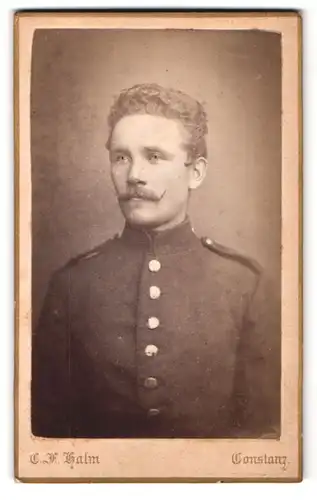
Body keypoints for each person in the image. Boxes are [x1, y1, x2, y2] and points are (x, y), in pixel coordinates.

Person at [31, 83, 281, 439]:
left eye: (154, 156)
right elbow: (45, 436)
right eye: (121, 157)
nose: (134, 175)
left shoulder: (246, 284)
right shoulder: (71, 285)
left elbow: (265, 436)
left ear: (196, 172)